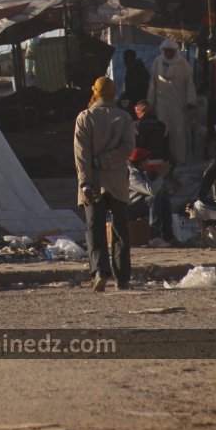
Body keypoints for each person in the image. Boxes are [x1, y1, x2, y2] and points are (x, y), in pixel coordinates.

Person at [74, 75, 135, 291]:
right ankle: (123, 279)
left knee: (94, 229)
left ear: (96, 92)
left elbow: (81, 155)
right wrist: (108, 160)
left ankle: (100, 271)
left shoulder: (85, 117)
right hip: (117, 182)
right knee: (120, 231)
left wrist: (85, 183)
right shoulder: (125, 118)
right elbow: (128, 148)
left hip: (93, 182)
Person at [147, 38, 197, 166]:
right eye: (167, 51)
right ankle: (165, 160)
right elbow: (152, 85)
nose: (169, 53)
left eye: (171, 51)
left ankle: (180, 161)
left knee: (179, 133)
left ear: (175, 51)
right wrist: (150, 103)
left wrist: (190, 101)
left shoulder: (183, 64)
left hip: (179, 105)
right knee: (164, 132)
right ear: (163, 51)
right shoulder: (157, 62)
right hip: (162, 105)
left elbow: (189, 85)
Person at [127, 147, 174, 246]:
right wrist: (161, 175)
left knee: (164, 200)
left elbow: (157, 191)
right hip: (128, 209)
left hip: (138, 204)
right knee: (153, 199)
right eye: (146, 160)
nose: (148, 163)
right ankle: (154, 236)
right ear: (141, 162)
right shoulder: (132, 175)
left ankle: (168, 237)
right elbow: (152, 191)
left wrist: (160, 175)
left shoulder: (141, 173)